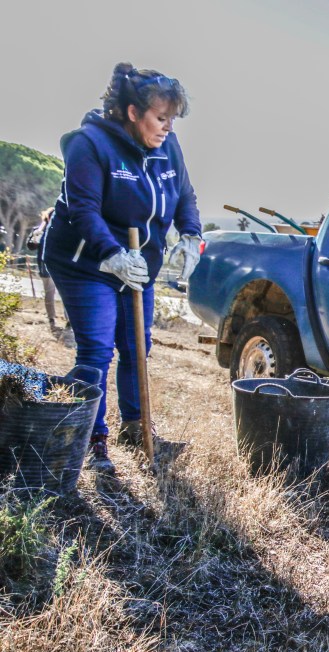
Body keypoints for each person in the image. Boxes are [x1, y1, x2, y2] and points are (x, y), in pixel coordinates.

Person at [42, 62, 203, 473]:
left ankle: (136, 429)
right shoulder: (89, 144)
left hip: (138, 263)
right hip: (86, 261)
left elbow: (184, 193)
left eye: (172, 119)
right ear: (133, 112)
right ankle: (89, 440)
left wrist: (190, 235)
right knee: (97, 349)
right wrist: (112, 254)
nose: (168, 127)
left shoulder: (168, 145)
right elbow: (83, 209)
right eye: (161, 118)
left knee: (136, 346)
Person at [26, 207, 71, 339]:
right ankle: (51, 318)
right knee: (49, 294)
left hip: (61, 267)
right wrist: (38, 233)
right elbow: (31, 246)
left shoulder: (64, 230)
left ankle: (69, 320)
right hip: (45, 266)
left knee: (66, 294)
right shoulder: (39, 230)